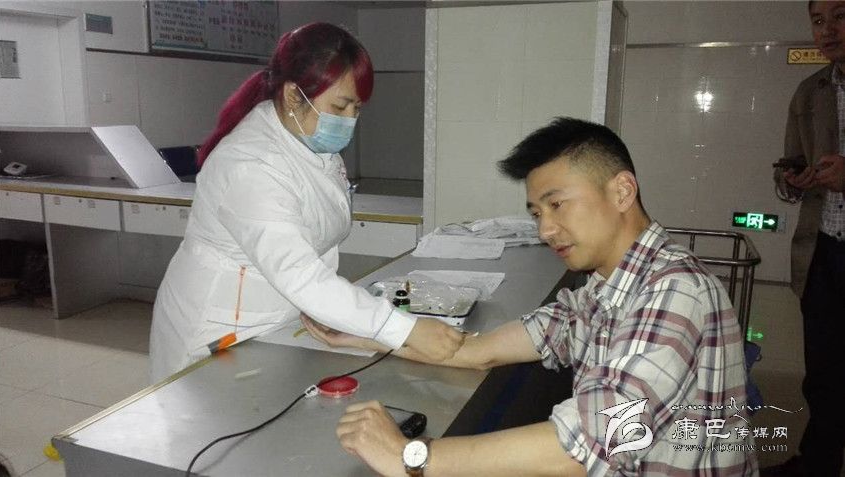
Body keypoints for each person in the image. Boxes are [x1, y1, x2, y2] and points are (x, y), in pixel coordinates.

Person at [304, 118, 758, 476]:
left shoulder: (674, 291)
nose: (545, 230)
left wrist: (411, 457)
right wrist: (366, 334)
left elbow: (590, 446)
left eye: (557, 205)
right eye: (537, 213)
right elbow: (478, 352)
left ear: (622, 191)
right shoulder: (603, 289)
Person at [149, 23, 463, 382]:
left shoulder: (312, 147)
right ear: (293, 95)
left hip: (278, 319)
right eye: (340, 107)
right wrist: (404, 329)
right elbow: (298, 272)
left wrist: (340, 311)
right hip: (219, 332)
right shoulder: (249, 166)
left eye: (357, 109)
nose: (350, 121)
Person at [763, 2, 845, 476]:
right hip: (822, 253)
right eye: (817, 20)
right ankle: (817, 465)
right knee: (824, 375)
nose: (827, 30)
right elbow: (788, 166)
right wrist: (792, 179)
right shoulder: (809, 92)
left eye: (840, 15)